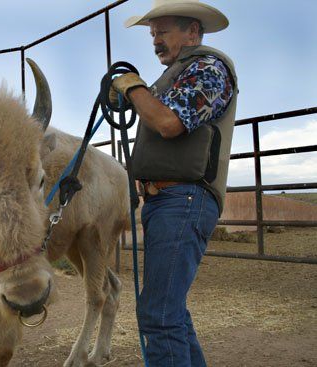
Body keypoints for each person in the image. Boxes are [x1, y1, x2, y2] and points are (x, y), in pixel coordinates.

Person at [110, 1, 238, 366]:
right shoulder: (179, 74)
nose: (155, 41)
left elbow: (169, 123)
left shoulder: (209, 68)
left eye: (163, 32)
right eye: (153, 34)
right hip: (167, 202)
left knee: (158, 315)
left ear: (193, 32)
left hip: (184, 199)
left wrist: (132, 89)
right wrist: (132, 95)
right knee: (170, 312)